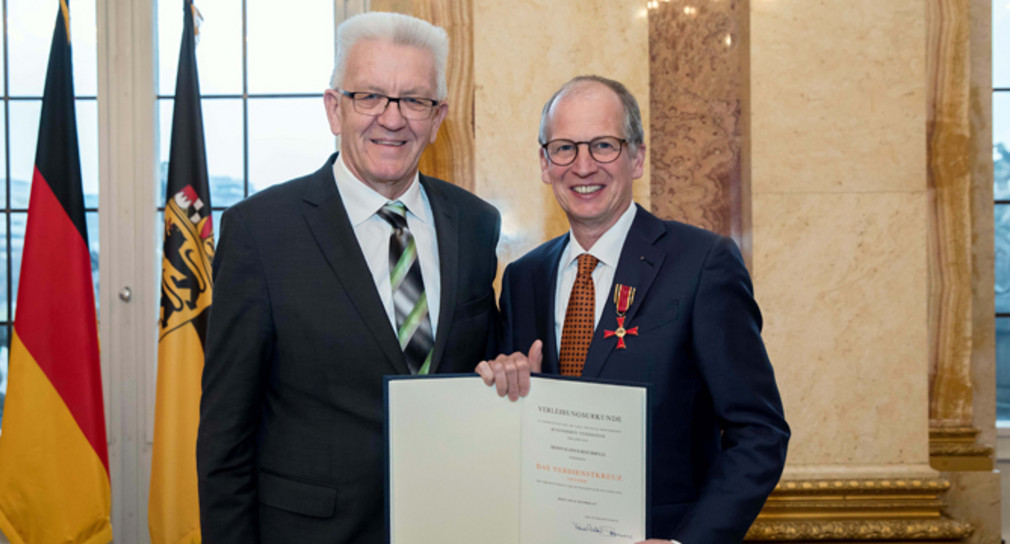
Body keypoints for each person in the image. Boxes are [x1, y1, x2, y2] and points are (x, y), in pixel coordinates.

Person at [197, 12, 500, 544]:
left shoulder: (475, 224)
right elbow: (226, 436)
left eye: (414, 100)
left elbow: (484, 368)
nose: (392, 118)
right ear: (334, 108)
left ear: (438, 117)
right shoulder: (259, 232)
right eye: (370, 96)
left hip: (453, 523)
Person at [476, 75, 789, 543]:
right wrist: (503, 388)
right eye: (564, 148)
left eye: (603, 145)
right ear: (545, 163)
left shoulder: (703, 263)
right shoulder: (524, 278)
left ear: (636, 156)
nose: (583, 166)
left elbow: (760, 432)